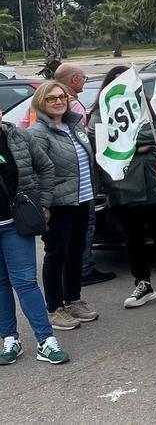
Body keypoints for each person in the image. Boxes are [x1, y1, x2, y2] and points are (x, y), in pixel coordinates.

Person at [87, 67, 156, 310]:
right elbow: (101, 141)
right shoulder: (100, 113)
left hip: (154, 183)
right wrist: (138, 145)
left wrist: (129, 142)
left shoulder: (150, 107)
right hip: (122, 187)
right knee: (132, 239)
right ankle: (142, 283)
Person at [27, 81, 100, 331]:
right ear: (41, 102)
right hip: (57, 204)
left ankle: (73, 299)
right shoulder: (39, 132)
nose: (59, 101)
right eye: (52, 98)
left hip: (82, 199)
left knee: (77, 251)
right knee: (57, 253)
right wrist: (44, 204)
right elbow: (37, 172)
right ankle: (55, 307)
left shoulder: (74, 125)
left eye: (62, 97)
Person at [0, 108, 70, 364]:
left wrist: (43, 202)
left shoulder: (19, 136)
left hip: (15, 222)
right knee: (1, 283)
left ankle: (46, 340)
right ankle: (10, 339)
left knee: (25, 281)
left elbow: (45, 167)